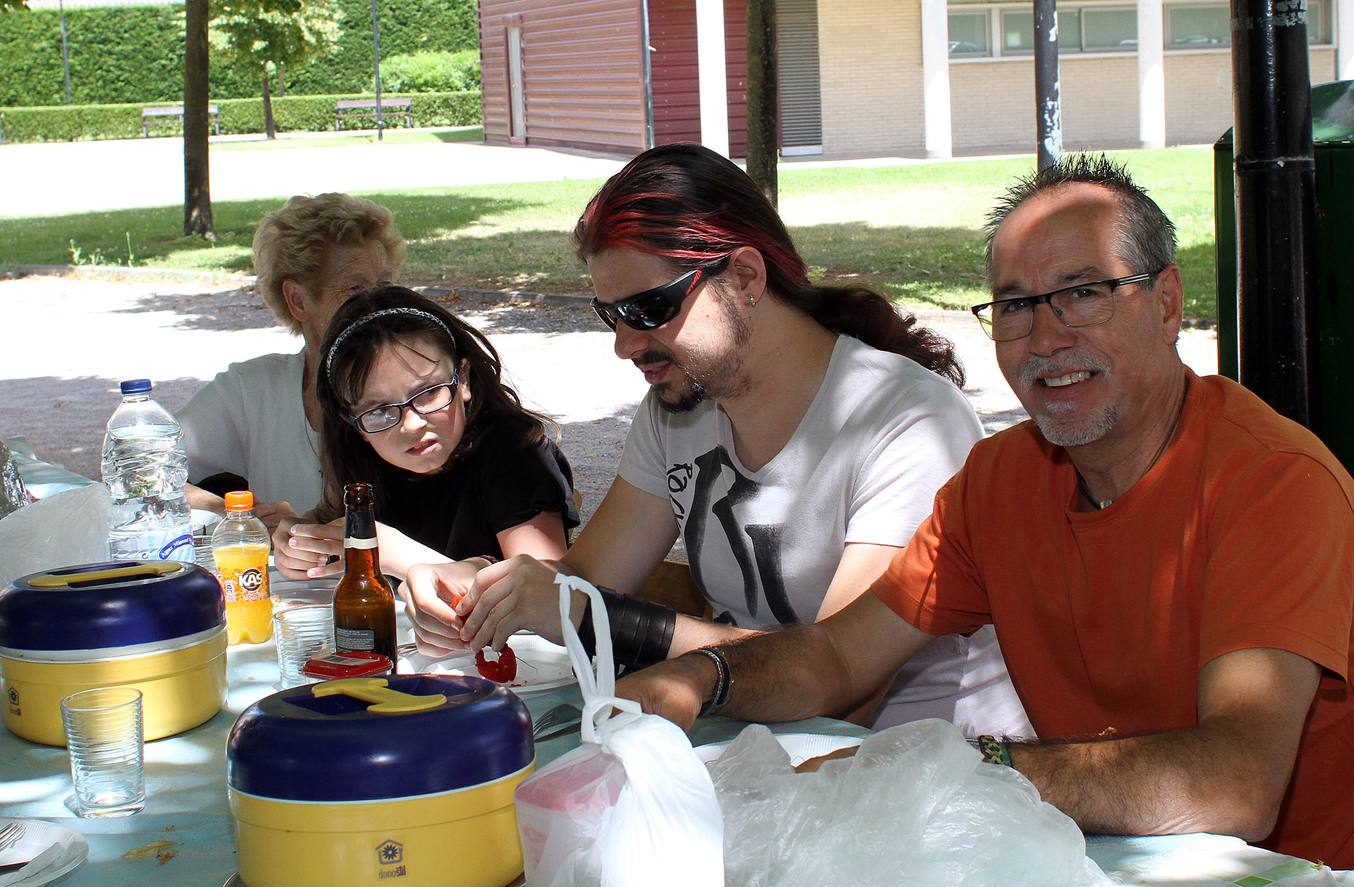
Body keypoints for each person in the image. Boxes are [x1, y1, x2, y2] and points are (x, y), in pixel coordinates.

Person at [614, 154, 1354, 868]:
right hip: (1092, 859)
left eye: (1085, 292)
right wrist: (705, 676)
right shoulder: (1000, 480)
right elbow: (838, 655)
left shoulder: (1271, 482)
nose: (1048, 336)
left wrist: (969, 767)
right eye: (1015, 306)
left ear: (1166, 303)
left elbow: (1237, 783)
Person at [406, 142, 1029, 735]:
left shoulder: (905, 423)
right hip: (757, 743)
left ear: (746, 278)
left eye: (648, 310)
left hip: (915, 767)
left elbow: (841, 675)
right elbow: (586, 579)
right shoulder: (676, 408)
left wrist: (588, 612)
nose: (626, 345)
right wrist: (491, 587)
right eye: (611, 316)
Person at [271, 284, 579, 582]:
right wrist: (300, 541)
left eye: (429, 392)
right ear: (352, 423)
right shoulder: (363, 460)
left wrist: (394, 554)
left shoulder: (515, 453)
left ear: (464, 381)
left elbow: (550, 596)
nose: (412, 424)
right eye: (379, 410)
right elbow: (329, 520)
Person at [179, 193, 403, 527]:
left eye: (384, 285)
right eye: (355, 290)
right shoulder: (253, 389)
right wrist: (237, 513)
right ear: (297, 300)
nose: (379, 304)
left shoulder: (422, 391)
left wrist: (306, 531)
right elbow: (143, 471)